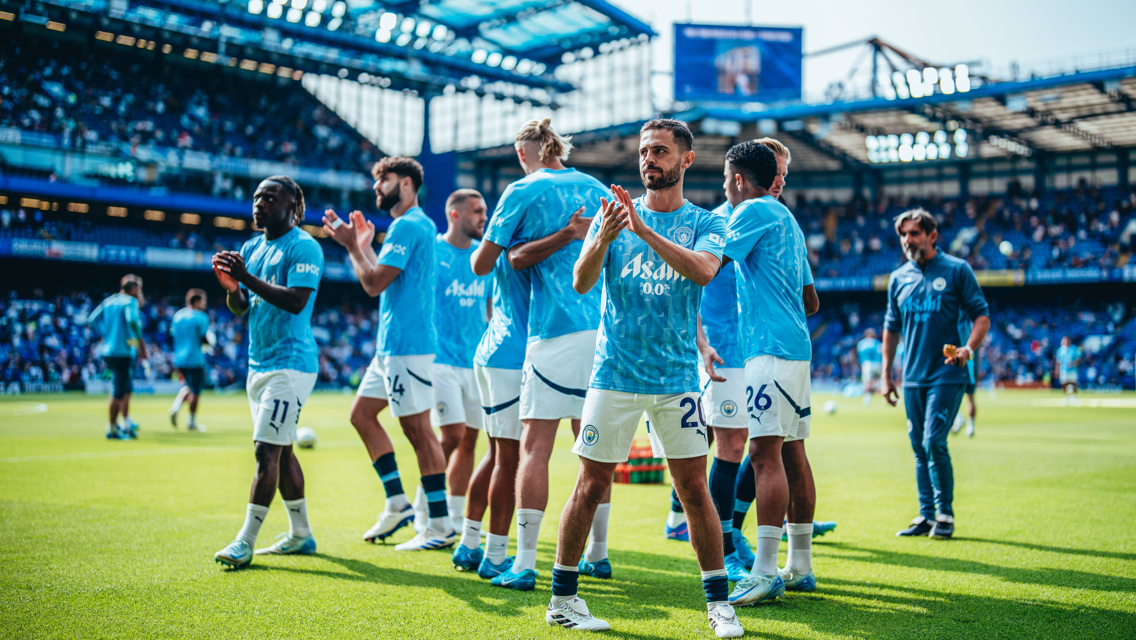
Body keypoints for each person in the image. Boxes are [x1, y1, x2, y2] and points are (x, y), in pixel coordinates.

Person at [545, 119, 743, 637]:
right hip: (613, 373)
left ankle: (719, 605)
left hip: (675, 377)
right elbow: (582, 282)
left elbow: (703, 271)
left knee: (695, 490)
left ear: (686, 160)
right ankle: (562, 599)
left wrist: (642, 230)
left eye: (659, 151)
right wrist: (604, 236)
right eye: (643, 152)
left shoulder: (705, 222)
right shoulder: (613, 216)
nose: (648, 159)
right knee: (590, 485)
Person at [471, 119, 610, 591]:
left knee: (534, 449)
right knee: (595, 450)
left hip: (551, 332)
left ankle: (525, 562)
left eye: (519, 155)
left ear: (528, 152)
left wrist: (561, 237)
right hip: (602, 331)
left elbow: (490, 262)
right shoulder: (594, 187)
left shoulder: (521, 190)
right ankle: (599, 554)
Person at [323, 157, 454, 551]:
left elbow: (374, 283)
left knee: (419, 432)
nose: (377, 186)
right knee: (361, 416)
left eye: (386, 179)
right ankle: (398, 502)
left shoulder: (408, 225)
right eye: (376, 180)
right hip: (393, 347)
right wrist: (362, 247)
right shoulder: (415, 227)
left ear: (408, 184)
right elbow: (379, 277)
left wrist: (352, 247)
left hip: (407, 348)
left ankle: (441, 525)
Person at [721, 142, 820, 607]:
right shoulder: (788, 220)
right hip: (797, 347)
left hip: (768, 351)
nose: (725, 188)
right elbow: (812, 300)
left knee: (762, 453)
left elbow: (708, 265)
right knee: (793, 453)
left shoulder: (751, 211)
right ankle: (800, 565)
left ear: (739, 179)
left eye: (726, 180)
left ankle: (762, 571)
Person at [211, 176, 323, 568]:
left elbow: (295, 301)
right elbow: (244, 308)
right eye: (257, 196)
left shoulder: (304, 246)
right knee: (283, 448)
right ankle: (301, 534)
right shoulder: (251, 248)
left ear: (292, 206)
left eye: (270, 197)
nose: (259, 203)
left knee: (265, 450)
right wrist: (231, 288)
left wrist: (245, 279)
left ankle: (245, 541)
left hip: (291, 365)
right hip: (258, 363)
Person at [882, 208, 990, 541]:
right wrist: (887, 375)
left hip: (948, 374)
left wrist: (967, 350)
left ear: (932, 236)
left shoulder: (958, 270)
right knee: (918, 446)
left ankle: (945, 514)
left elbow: (982, 317)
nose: (907, 240)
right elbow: (891, 328)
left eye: (914, 233)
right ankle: (926, 515)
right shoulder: (898, 278)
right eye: (903, 234)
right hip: (912, 377)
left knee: (933, 442)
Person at [430, 189, 494, 569]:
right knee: (451, 436)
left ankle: (454, 518)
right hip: (439, 360)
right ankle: (428, 507)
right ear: (455, 214)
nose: (483, 217)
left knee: (470, 438)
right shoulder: (434, 253)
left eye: (485, 211)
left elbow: (487, 308)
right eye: (477, 211)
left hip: (475, 362)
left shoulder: (482, 257)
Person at [87, 274, 148, 439]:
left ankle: (126, 423)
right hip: (123, 351)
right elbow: (133, 321)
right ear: (134, 289)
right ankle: (112, 428)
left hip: (109, 350)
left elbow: (92, 319)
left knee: (126, 388)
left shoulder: (109, 301)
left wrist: (106, 334)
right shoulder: (130, 302)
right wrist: (141, 343)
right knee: (119, 390)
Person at [168, 288, 213, 431]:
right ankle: (192, 422)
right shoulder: (201, 317)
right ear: (197, 301)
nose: (205, 304)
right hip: (195, 358)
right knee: (196, 391)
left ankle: (176, 406)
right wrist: (211, 343)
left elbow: (173, 335)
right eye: (203, 301)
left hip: (179, 359)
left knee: (189, 386)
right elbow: (203, 338)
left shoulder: (177, 316)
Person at [951, 316, 979, 436]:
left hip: (959, 366)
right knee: (970, 398)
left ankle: (958, 418)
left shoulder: (955, 326)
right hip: (971, 367)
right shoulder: (975, 332)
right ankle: (970, 427)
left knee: (950, 396)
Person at [858, 329, 883, 406]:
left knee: (866, 382)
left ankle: (867, 398)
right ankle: (885, 398)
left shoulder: (861, 343)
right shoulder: (877, 343)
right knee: (880, 380)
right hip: (877, 364)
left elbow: (860, 356)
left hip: (867, 364)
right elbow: (882, 353)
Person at [1055, 336, 1082, 407]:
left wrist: (1073, 363)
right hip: (1064, 369)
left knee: (1074, 383)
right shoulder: (1060, 350)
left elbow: (1079, 359)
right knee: (1064, 383)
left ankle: (1074, 398)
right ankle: (1066, 398)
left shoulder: (1074, 349)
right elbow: (1058, 361)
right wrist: (1057, 370)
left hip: (1073, 370)